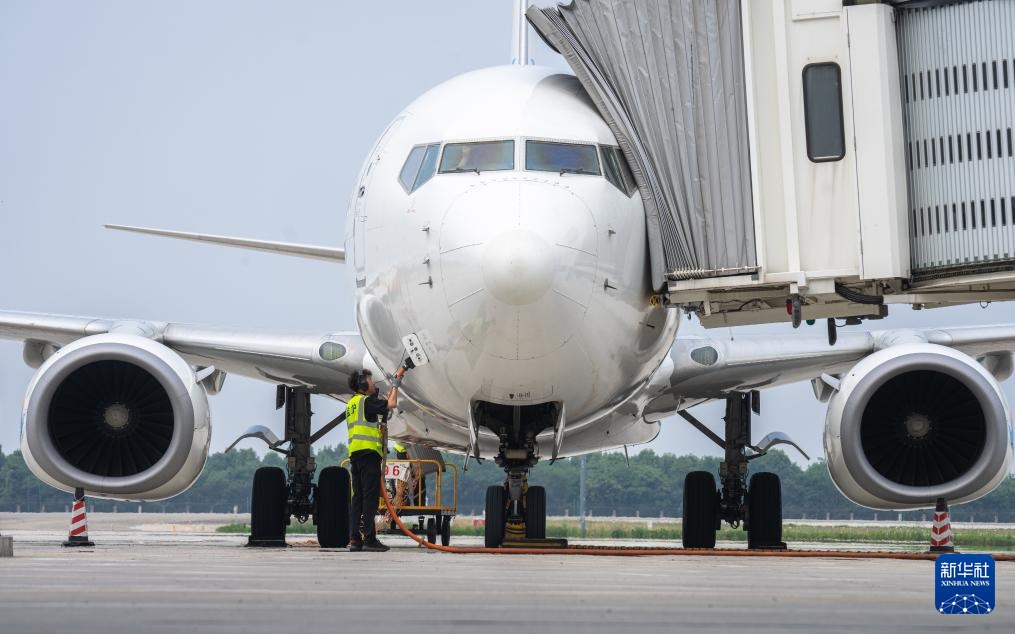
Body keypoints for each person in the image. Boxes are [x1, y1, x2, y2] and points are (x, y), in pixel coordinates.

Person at [346, 365, 406, 552]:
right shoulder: (366, 402)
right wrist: (395, 385)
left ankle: (355, 539)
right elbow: (392, 404)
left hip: (355, 455)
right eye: (371, 381)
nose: (373, 384)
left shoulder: (352, 403)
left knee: (358, 498)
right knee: (370, 498)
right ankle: (369, 539)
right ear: (363, 385)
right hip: (369, 454)